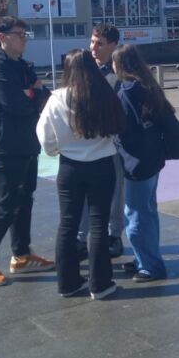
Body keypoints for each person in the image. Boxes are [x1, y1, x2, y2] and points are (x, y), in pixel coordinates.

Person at [36, 49, 126, 300]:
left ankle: (68, 283)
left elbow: (45, 137)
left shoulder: (57, 98)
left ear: (67, 70)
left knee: (68, 224)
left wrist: (57, 149)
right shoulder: (105, 94)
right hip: (103, 164)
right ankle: (100, 284)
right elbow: (118, 126)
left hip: (70, 168)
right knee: (99, 224)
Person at [0, 17, 55, 288]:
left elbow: (46, 97)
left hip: (27, 142)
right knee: (7, 203)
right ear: (2, 37)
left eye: (25, 35)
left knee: (25, 200)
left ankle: (21, 254)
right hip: (5, 145)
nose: (24, 39)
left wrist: (32, 93)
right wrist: (32, 94)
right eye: (19, 34)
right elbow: (16, 104)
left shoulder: (21, 66)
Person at [111, 44, 171, 283]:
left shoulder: (126, 92)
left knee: (135, 216)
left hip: (136, 163)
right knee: (148, 212)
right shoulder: (148, 86)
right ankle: (144, 258)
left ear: (119, 65)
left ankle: (149, 266)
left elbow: (125, 130)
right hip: (152, 160)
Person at [75, 24, 126, 260]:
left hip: (113, 143)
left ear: (113, 46)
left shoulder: (119, 74)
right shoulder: (84, 70)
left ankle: (114, 235)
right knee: (85, 193)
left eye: (100, 43)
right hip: (87, 143)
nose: (93, 48)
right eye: (92, 42)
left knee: (116, 191)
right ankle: (80, 238)